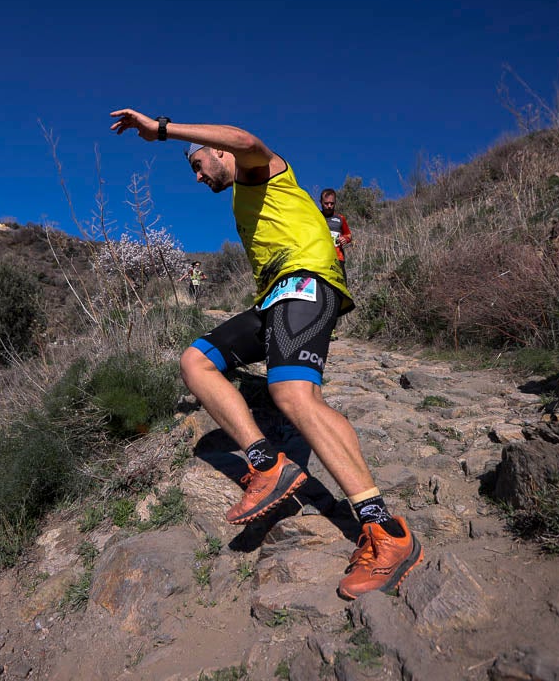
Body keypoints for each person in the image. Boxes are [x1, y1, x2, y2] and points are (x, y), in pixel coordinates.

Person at [109, 109, 423, 600]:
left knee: (291, 393)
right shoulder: (242, 199)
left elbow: (243, 137)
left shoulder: (260, 173)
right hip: (275, 298)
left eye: (197, 165)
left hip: (306, 285)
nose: (196, 176)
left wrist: (164, 130)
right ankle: (267, 463)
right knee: (196, 361)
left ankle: (387, 533)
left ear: (218, 153)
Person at [320, 189, 352, 281]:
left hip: (338, 259)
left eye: (332, 203)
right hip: (320, 258)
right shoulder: (316, 217)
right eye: (326, 203)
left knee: (341, 287)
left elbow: (348, 234)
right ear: (321, 202)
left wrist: (345, 239)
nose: (329, 206)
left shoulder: (340, 218)